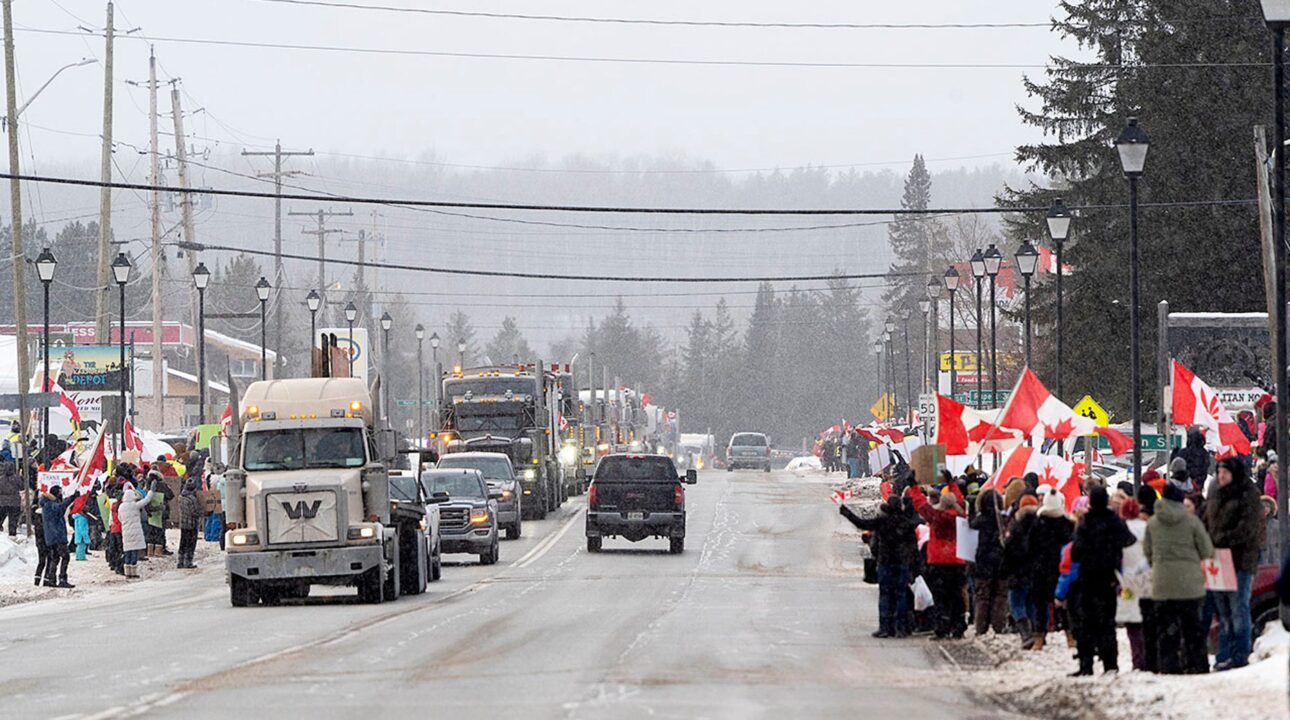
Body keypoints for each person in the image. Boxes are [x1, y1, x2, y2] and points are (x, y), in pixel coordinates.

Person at [1203, 456, 1266, 671]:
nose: (1221, 476)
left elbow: (1249, 529)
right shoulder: (1217, 494)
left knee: (1238, 608)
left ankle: (1239, 655)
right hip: (1218, 560)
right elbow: (1207, 521)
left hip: (1240, 560)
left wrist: (1222, 539)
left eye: (1225, 472)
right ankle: (1224, 655)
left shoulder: (1248, 494)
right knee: (1224, 612)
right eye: (1219, 472)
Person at [1145, 483, 1213, 674]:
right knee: (1193, 629)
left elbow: (1147, 552)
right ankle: (1197, 664)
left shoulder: (1152, 523)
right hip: (1190, 584)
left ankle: (1169, 665)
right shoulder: (1192, 522)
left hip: (1162, 584)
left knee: (1166, 630)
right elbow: (1207, 550)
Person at [1069, 486, 1137, 675]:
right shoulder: (1113, 521)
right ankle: (1110, 664)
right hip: (1109, 578)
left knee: (1086, 623)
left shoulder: (1086, 522)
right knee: (1107, 623)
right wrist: (1111, 549)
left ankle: (1086, 665)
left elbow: (1076, 553)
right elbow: (1128, 540)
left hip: (1088, 577)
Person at [840, 494, 919, 637]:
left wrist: (847, 513)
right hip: (901, 563)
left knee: (885, 595)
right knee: (901, 595)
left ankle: (885, 627)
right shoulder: (906, 522)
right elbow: (913, 545)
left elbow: (862, 524)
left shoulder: (883, 521)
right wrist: (912, 563)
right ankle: (900, 628)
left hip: (886, 562)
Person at [908, 482, 967, 639]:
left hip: (938, 560)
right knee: (956, 596)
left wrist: (913, 487)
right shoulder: (960, 516)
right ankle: (958, 626)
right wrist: (952, 484)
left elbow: (921, 505)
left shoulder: (936, 517)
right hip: (956, 560)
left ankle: (942, 626)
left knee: (940, 597)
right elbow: (960, 501)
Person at [1028, 491, 1074, 650]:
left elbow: (1029, 547)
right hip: (1061, 569)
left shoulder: (1037, 523)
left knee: (1040, 606)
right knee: (1063, 605)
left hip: (1040, 570)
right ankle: (1070, 636)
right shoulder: (1068, 524)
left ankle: (1039, 639)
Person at [1118, 497, 1156, 672]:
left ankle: (1137, 659)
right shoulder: (1148, 528)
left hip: (1127, 580)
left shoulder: (1122, 530)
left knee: (1131, 621)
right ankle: (1150, 658)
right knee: (1147, 618)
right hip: (1147, 577)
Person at [1001, 494, 1040, 648]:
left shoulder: (1017, 527)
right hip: (1035, 573)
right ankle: (1036, 633)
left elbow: (1010, 553)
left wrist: (1004, 570)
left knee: (1016, 603)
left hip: (1018, 573)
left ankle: (1026, 633)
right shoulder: (1040, 525)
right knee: (1031, 604)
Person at [971, 488, 1008, 636]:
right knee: (1000, 595)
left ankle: (981, 627)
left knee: (982, 597)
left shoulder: (977, 522)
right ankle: (999, 625)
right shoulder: (1002, 522)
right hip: (1000, 563)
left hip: (982, 563)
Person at [38, 485, 79, 588]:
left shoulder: (47, 504)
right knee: (65, 556)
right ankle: (62, 578)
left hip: (52, 536)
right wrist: (72, 498)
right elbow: (60, 507)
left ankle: (52, 579)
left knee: (55, 558)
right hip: (57, 536)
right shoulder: (49, 504)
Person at [118, 476, 158, 579]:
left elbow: (120, 519)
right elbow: (147, 500)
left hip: (126, 532)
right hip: (136, 532)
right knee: (134, 551)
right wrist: (151, 491)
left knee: (128, 552)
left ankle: (127, 572)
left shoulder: (121, 507)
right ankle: (133, 572)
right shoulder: (134, 505)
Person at [177, 479, 202, 569]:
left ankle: (180, 561)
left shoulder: (180, 497)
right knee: (190, 543)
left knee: (183, 542)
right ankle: (188, 561)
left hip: (183, 524)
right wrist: (202, 512)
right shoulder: (192, 499)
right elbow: (194, 512)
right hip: (192, 524)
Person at [0, 457, 20, 536]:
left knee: (1, 516)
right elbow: (22, 486)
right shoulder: (16, 478)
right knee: (13, 519)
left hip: (2, 502)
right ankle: (12, 533)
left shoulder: (1, 479)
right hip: (14, 501)